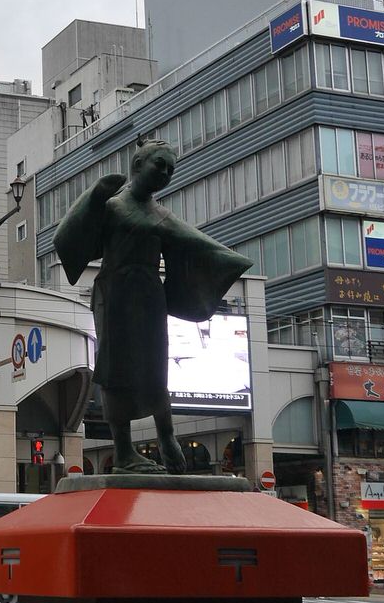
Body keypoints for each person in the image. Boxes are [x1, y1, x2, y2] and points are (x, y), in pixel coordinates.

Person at [53, 139, 252, 473]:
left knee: (156, 368)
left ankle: (167, 436)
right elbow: (71, 235)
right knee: (115, 370)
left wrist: (233, 260)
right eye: (159, 164)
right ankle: (124, 452)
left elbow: (197, 243)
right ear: (138, 163)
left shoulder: (162, 214)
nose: (165, 173)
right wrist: (94, 195)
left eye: (171, 169)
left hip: (149, 295)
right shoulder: (113, 205)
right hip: (115, 293)